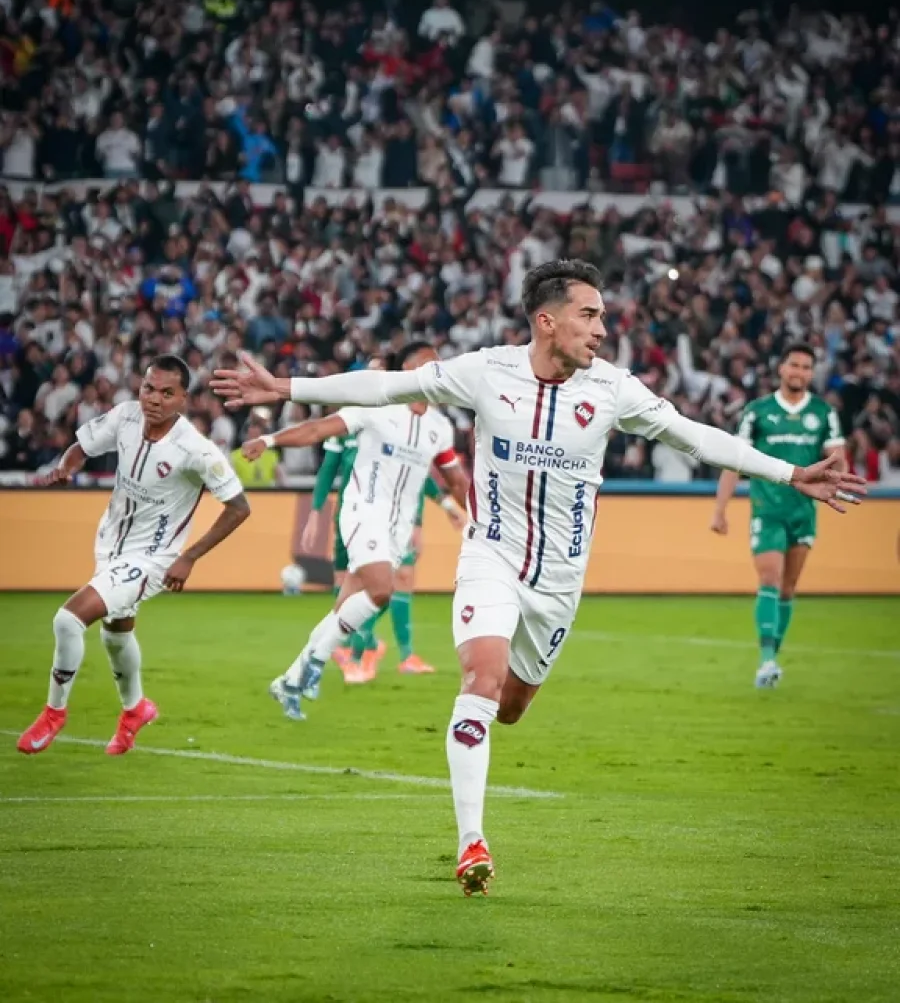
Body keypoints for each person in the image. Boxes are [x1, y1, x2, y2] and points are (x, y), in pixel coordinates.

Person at [211, 260, 866, 897]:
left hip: (558, 582)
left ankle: (455, 737)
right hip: (490, 556)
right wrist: (287, 387)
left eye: (604, 316)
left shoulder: (613, 388)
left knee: (512, 707)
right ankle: (473, 841)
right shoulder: (486, 371)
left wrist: (787, 471)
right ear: (547, 321)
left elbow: (695, 436)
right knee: (480, 678)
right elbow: (384, 387)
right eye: (590, 315)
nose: (602, 329)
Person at [18, 355, 251, 757]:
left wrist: (190, 556)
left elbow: (239, 507)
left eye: (166, 393)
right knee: (116, 633)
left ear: (182, 400)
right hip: (111, 543)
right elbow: (82, 446)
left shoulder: (196, 450)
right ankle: (135, 709)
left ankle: (54, 713)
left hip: (154, 557)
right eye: (148, 388)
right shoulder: (125, 416)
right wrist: (67, 465)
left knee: (68, 619)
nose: (154, 399)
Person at [241, 342, 468, 721]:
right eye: (427, 364)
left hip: (396, 529)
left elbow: (455, 478)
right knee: (381, 590)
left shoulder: (439, 427)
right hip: (364, 511)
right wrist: (269, 440)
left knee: (343, 610)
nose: (436, 371)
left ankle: (290, 680)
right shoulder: (375, 407)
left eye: (438, 365)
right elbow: (317, 429)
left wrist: (476, 513)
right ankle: (314, 664)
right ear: (406, 371)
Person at [710, 344, 845, 689]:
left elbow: (836, 458)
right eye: (794, 365)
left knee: (788, 588)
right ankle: (766, 660)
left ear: (811, 373)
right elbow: (733, 461)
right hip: (767, 510)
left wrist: (838, 474)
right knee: (770, 578)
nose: (799, 372)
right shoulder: (758, 412)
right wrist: (720, 509)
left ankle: (772, 659)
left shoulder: (823, 412)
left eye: (806, 367)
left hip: (803, 512)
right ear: (781, 369)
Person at [300, 420, 467, 683]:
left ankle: (380, 655)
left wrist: (435, 511)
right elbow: (328, 470)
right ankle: (360, 647)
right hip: (349, 518)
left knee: (394, 581)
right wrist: (315, 512)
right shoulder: (346, 426)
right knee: (345, 587)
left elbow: (416, 476)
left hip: (390, 521)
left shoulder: (392, 427)